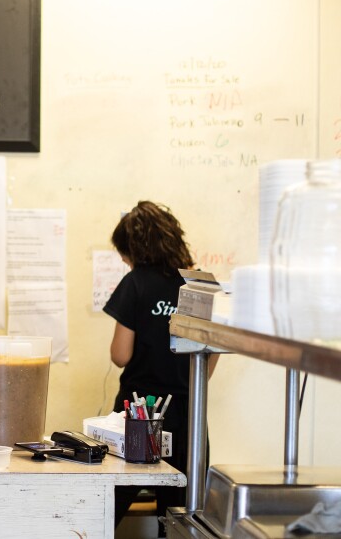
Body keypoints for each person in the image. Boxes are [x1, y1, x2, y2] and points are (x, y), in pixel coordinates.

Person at [103, 201, 219, 534]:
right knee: (181, 514)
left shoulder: (135, 282)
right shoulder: (200, 285)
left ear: (133, 249)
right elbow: (211, 354)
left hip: (137, 414)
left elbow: (120, 355)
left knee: (110, 504)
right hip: (187, 415)